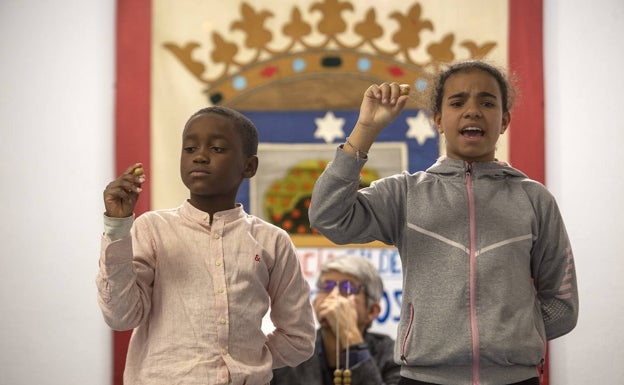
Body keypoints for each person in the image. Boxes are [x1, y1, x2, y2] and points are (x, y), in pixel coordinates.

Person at [308, 60, 579, 385]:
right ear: (437, 119)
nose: (473, 110)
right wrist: (366, 129)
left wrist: (514, 334)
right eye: (458, 101)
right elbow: (328, 216)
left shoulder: (534, 199)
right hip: (423, 378)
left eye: (488, 102)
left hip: (515, 378)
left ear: (504, 120)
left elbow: (562, 303)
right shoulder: (405, 194)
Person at [96, 106, 316, 385]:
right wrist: (117, 228)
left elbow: (299, 338)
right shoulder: (152, 229)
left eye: (217, 149)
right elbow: (121, 317)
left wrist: (247, 361)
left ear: (249, 166)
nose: (199, 156)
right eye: (189, 149)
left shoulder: (272, 241)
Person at [271, 255, 400, 385]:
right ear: (315, 301)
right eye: (326, 287)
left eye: (347, 288)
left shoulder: (393, 355)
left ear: (372, 311)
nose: (333, 296)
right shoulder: (291, 351)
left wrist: (349, 335)